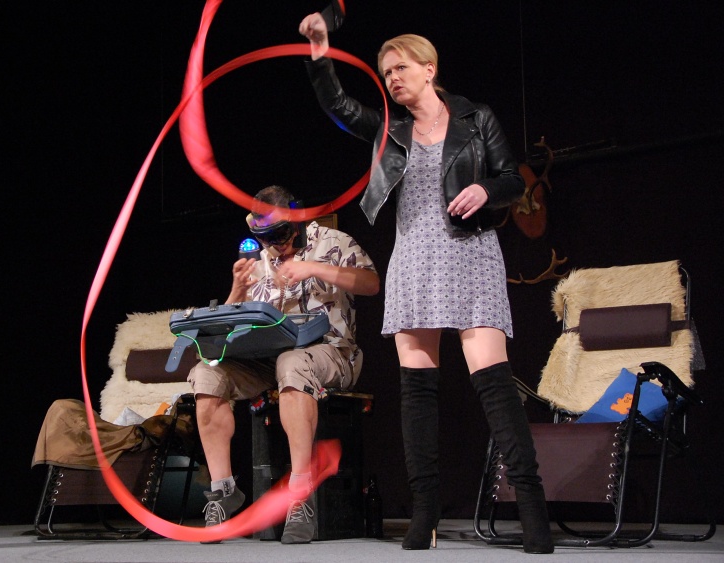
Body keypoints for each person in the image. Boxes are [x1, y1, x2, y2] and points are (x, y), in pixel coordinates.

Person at [298, 13, 553, 554]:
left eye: (401, 68)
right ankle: (424, 514)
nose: (392, 78)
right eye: (386, 72)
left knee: (494, 386)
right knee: (417, 394)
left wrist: (487, 190)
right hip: (414, 260)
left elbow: (513, 178)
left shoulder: (475, 117)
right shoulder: (388, 129)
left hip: (471, 255)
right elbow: (340, 107)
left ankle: (532, 509)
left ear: (429, 68)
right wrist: (319, 52)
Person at [187, 185, 380, 544]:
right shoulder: (261, 260)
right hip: (266, 359)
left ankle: (300, 497)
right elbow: (231, 324)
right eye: (265, 239)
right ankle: (223, 491)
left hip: (331, 352)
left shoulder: (332, 241)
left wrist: (312, 268)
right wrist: (237, 292)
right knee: (206, 372)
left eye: (278, 236)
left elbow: (371, 283)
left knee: (292, 362)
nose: (273, 246)